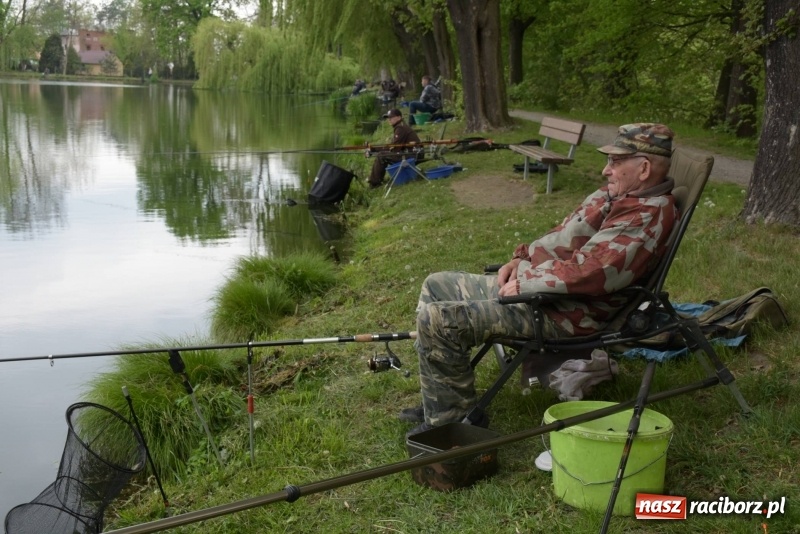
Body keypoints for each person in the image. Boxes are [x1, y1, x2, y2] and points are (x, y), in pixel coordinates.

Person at [403, 123, 678, 435]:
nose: (606, 170)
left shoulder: (644, 216)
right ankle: (441, 398)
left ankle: (450, 429)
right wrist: (521, 259)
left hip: (567, 314)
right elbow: (563, 234)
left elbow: (590, 272)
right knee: (437, 284)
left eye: (615, 162)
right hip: (548, 295)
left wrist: (526, 282)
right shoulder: (617, 195)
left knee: (439, 321)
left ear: (644, 169)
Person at [368, 109, 422, 189]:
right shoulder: (401, 126)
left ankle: (374, 183)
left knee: (381, 156)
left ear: (399, 117)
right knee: (383, 154)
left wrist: (374, 150)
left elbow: (394, 149)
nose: (389, 119)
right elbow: (393, 146)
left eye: (391, 117)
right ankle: (376, 180)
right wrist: (374, 149)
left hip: (413, 155)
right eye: (388, 118)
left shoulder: (400, 128)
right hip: (413, 153)